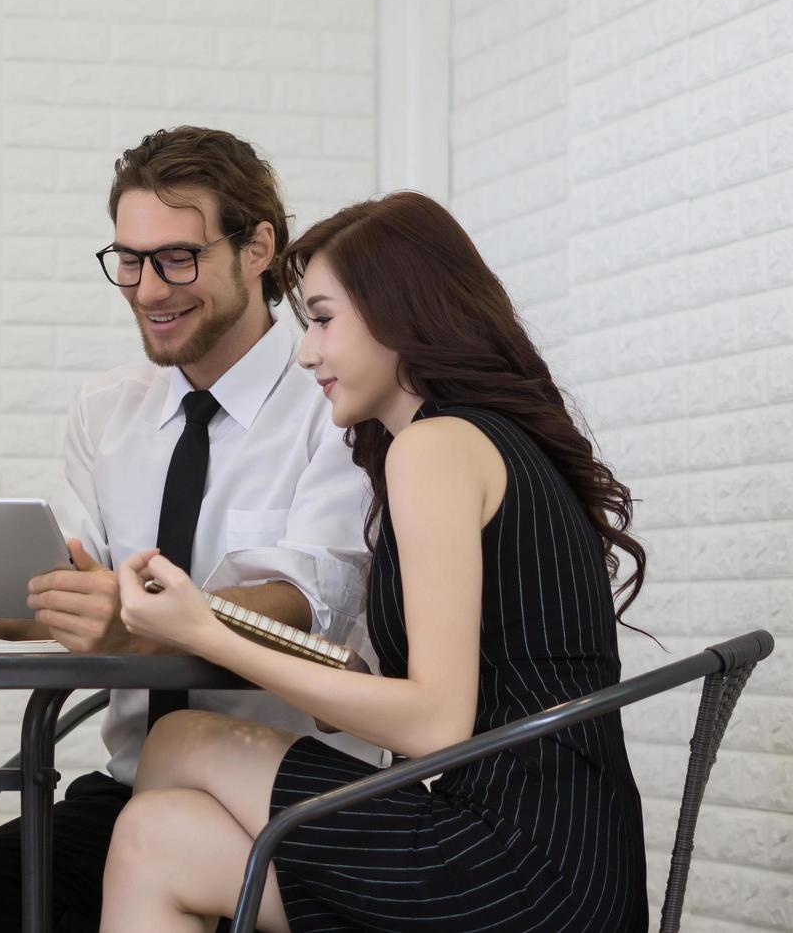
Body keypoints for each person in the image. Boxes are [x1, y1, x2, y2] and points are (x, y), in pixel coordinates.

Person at [102, 191, 651, 932]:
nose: (306, 352)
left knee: (180, 739)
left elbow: (434, 722)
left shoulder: (436, 447)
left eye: (323, 318)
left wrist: (206, 633)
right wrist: (339, 679)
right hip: (573, 860)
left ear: (402, 314)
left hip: (514, 867)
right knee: (152, 840)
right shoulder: (480, 439)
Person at [0, 126, 381, 930]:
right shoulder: (106, 410)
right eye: (129, 260)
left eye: (177, 258)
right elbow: (48, 591)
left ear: (257, 247)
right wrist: (42, 595)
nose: (149, 289)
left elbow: (309, 603)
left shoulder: (332, 402)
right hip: (135, 778)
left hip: (291, 787)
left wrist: (127, 619)